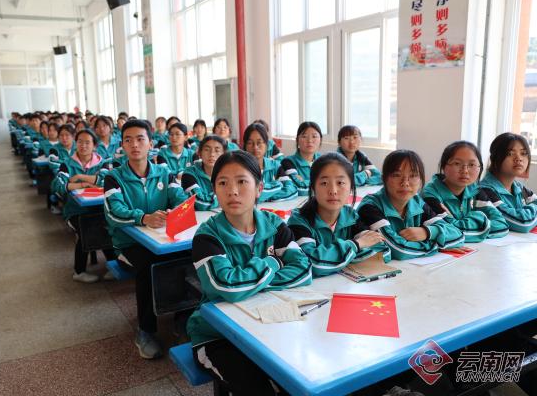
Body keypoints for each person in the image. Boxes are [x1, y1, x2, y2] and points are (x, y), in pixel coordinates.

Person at [187, 150, 312, 395]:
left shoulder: (274, 225)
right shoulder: (207, 236)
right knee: (257, 389)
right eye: (223, 183)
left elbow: (304, 270)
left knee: (296, 381)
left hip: (269, 324)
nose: (232, 191)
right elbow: (226, 287)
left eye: (242, 181)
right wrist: (274, 263)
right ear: (214, 190)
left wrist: (248, 283)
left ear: (259, 188)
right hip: (216, 335)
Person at [104, 119, 189, 359]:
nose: (135, 145)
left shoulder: (164, 172)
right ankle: (146, 330)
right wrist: (144, 218)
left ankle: (182, 318)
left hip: (162, 240)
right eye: (128, 140)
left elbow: (181, 199)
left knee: (187, 259)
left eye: (140, 139)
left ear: (151, 144)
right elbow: (114, 213)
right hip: (127, 244)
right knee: (149, 268)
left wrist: (175, 211)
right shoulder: (114, 177)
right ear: (122, 145)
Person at [288, 153, 390, 276]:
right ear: (313, 187)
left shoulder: (351, 216)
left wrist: (334, 259)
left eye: (340, 183)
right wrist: (356, 245)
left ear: (351, 187)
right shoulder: (299, 221)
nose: (333, 191)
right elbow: (312, 263)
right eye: (324, 183)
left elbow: (382, 251)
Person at [357, 150, 464, 260]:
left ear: (421, 180)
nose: (405, 183)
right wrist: (438, 246)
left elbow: (458, 236)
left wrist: (427, 232)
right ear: (384, 179)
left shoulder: (417, 202)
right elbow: (399, 250)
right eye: (397, 175)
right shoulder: (369, 207)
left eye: (413, 175)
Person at [52, 128, 115, 283]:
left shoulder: (103, 162)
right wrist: (85, 184)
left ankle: (114, 266)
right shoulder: (67, 164)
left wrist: (79, 178)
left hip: (101, 209)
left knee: (106, 226)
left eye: (87, 142)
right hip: (75, 210)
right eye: (80, 142)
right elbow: (58, 185)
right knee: (86, 228)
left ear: (94, 145)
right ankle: (79, 271)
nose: (83, 145)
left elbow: (105, 181)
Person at [422, 141, 508, 242]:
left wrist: (466, 226)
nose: (465, 170)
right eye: (457, 163)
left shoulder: (475, 190)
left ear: (480, 168)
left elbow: (502, 225)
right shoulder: (430, 194)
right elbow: (446, 232)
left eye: (472, 164)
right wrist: (480, 218)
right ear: (444, 166)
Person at [480, 132, 537, 232]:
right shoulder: (484, 191)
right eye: (510, 154)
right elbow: (523, 223)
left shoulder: (519, 188)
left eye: (523, 153)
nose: (519, 158)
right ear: (495, 158)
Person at [243, 123, 297, 202]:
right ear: (245, 146)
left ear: (267, 145)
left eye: (259, 142)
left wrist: (266, 197)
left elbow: (292, 190)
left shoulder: (275, 165)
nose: (255, 147)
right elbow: (248, 195)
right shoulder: (240, 168)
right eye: (250, 143)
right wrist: (278, 184)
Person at [181, 135, 227, 210]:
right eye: (207, 150)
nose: (212, 154)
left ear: (224, 155)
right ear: (199, 153)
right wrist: (223, 197)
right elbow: (200, 203)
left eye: (217, 151)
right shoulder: (189, 174)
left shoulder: (230, 173)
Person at [281, 121, 323, 196]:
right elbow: (299, 188)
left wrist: (304, 181)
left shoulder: (324, 160)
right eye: (304, 136)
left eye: (314, 136)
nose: (309, 141)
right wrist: (322, 183)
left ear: (320, 140)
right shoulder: (287, 162)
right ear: (297, 140)